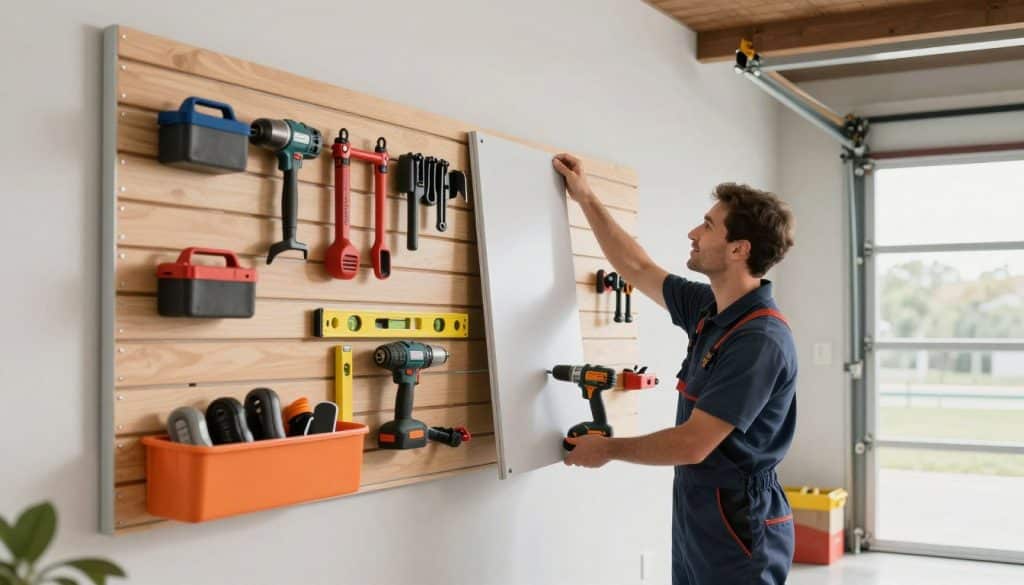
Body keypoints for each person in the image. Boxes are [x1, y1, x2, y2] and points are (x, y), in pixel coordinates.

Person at [552, 153, 798, 585]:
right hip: (700, 505)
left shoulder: (758, 340)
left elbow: (693, 444)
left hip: (739, 517)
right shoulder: (711, 309)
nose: (693, 233)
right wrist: (585, 197)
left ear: (739, 249)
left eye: (707, 225)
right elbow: (637, 267)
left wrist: (606, 450)